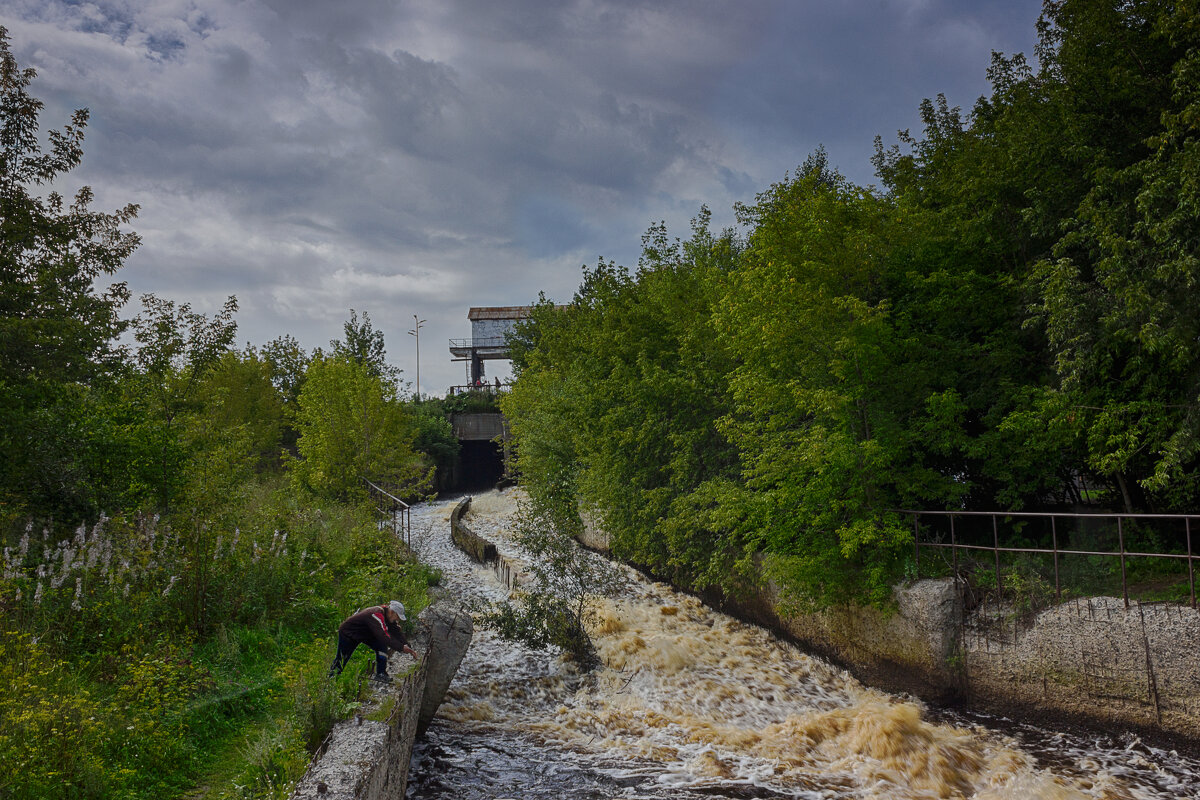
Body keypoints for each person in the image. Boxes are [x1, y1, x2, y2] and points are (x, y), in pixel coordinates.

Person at [329, 600, 417, 682]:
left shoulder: (387, 616)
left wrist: (406, 645)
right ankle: (332, 680)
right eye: (397, 617)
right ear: (392, 612)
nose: (397, 620)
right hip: (348, 633)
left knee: (381, 645)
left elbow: (396, 631)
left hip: (363, 634)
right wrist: (401, 647)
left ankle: (381, 673)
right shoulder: (376, 614)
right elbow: (382, 635)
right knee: (342, 658)